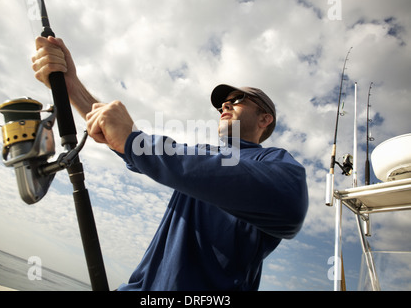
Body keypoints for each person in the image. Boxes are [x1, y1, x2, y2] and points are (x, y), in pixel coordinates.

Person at [32, 36, 309, 291]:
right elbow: (130, 144)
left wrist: (135, 142)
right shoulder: (202, 153)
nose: (225, 106)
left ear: (265, 119)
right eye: (221, 104)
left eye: (236, 100)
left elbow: (290, 204)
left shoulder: (274, 162)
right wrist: (71, 85)